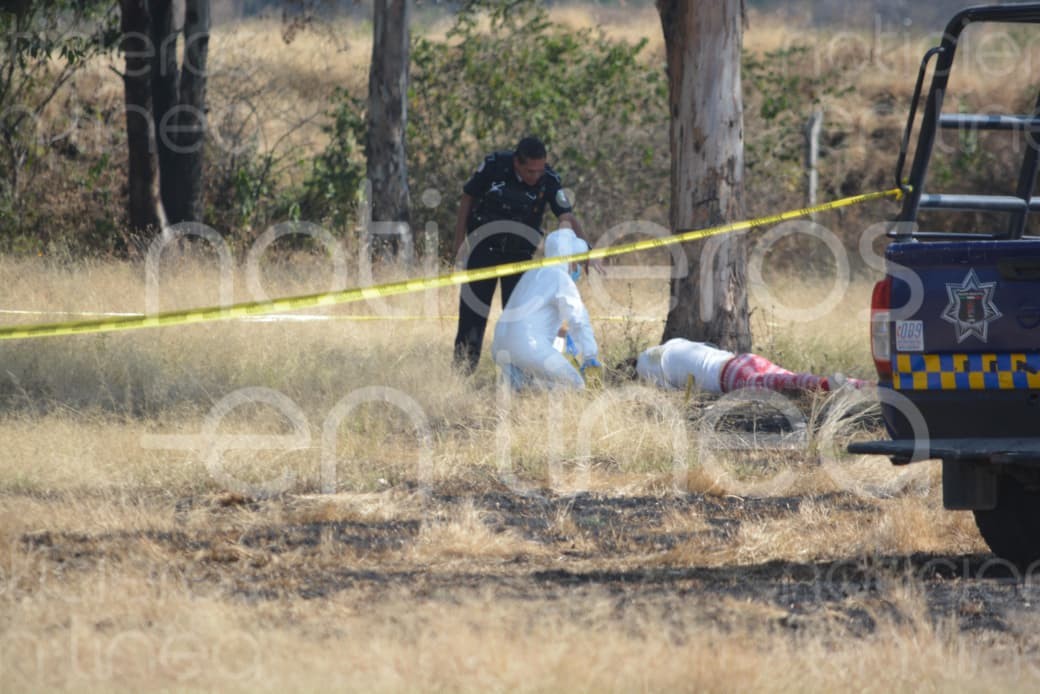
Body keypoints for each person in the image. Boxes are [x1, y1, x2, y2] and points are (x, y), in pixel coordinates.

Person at [452, 136, 590, 373]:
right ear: (517, 162)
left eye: (539, 170)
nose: (535, 176)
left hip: (519, 257)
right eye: (530, 171)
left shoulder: (549, 178)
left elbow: (566, 215)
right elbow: (468, 197)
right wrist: (459, 243)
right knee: (472, 317)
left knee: (520, 320)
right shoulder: (495, 165)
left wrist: (586, 250)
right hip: (483, 249)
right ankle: (461, 374)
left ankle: (518, 376)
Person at [491, 228, 601, 390]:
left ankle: (516, 383)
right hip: (526, 346)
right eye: (577, 263)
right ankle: (525, 386)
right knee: (576, 386)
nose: (578, 268)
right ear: (570, 259)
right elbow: (578, 319)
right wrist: (590, 355)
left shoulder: (533, 272)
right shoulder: (560, 277)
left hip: (500, 345)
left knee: (520, 385)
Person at [634, 338, 871, 394]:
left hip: (730, 378)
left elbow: (673, 398)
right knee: (791, 378)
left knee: (790, 384)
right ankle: (863, 385)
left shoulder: (645, 370)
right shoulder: (670, 344)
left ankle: (828, 385)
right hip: (741, 360)